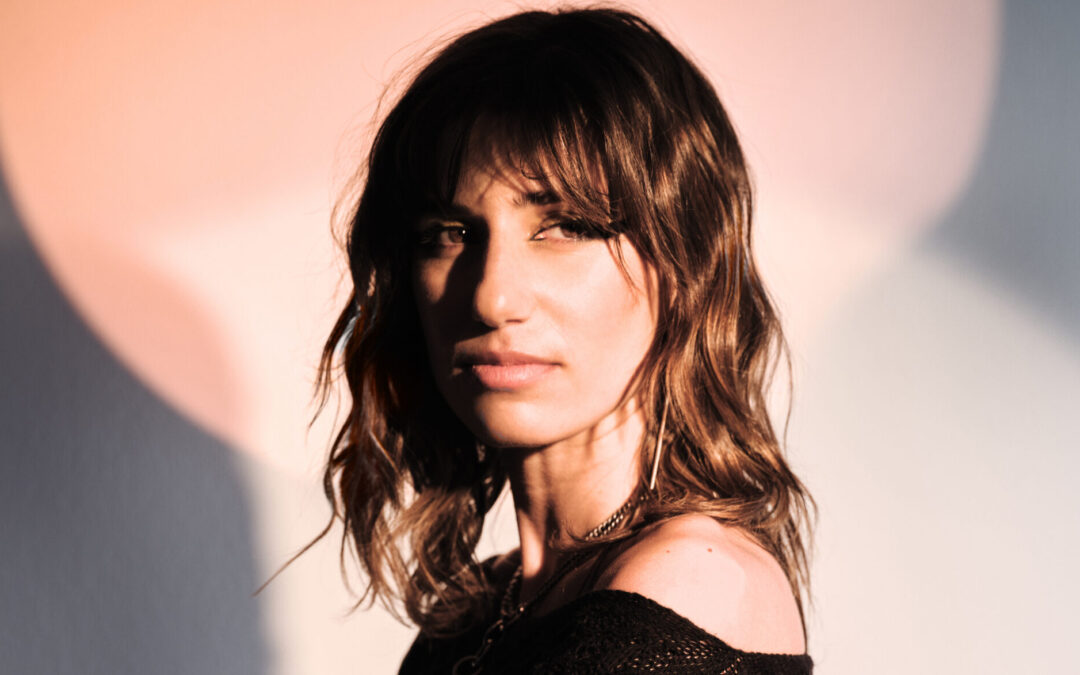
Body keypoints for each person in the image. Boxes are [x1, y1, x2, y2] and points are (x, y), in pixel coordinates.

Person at [314, 7, 814, 673]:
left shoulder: (687, 584)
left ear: (686, 267)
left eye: (568, 226)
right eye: (449, 233)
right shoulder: (487, 606)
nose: (492, 298)